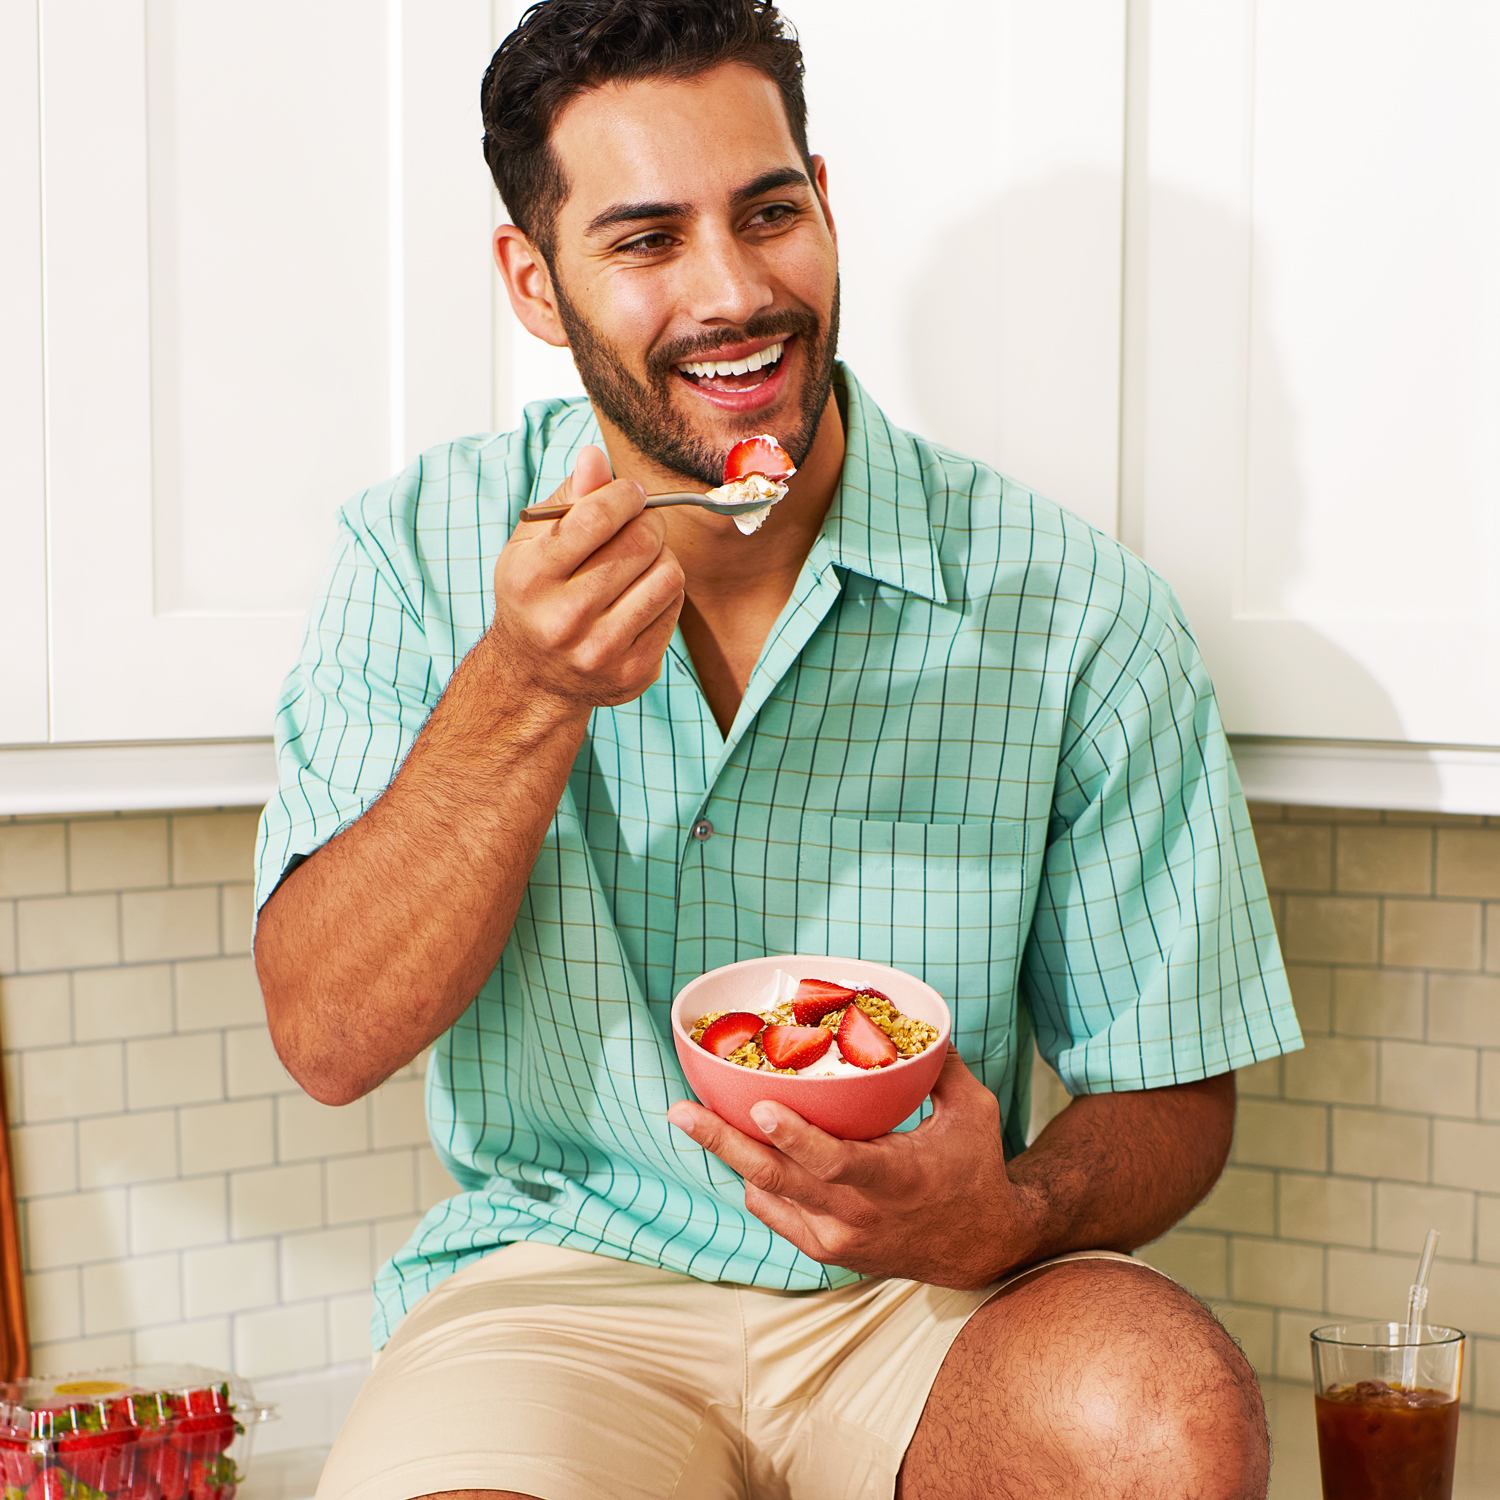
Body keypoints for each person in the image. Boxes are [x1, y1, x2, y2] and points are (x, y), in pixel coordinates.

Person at [252, 2, 1302, 1496]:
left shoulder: (1074, 607)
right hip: (561, 1295)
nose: (735, 292)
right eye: (645, 241)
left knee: (1163, 1411)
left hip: (933, 1303)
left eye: (769, 213)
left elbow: (1177, 1091)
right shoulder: (418, 557)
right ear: (535, 285)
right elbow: (327, 1036)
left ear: (826, 204)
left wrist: (1003, 1213)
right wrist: (526, 688)